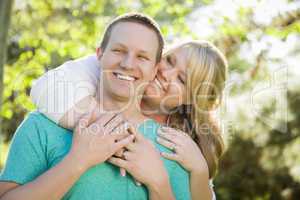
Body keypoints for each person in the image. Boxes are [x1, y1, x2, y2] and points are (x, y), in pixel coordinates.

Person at [0, 13, 192, 200]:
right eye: (119, 50)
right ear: (99, 54)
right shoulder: (41, 125)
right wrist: (77, 161)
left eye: (142, 57)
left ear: (155, 70)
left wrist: (159, 183)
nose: (127, 64)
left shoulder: (172, 146)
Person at [30, 39, 228, 200]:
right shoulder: (122, 66)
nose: (165, 74)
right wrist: (118, 133)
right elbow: (46, 87)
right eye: (169, 60)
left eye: (182, 79)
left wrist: (200, 171)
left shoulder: (184, 144)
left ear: (191, 99)